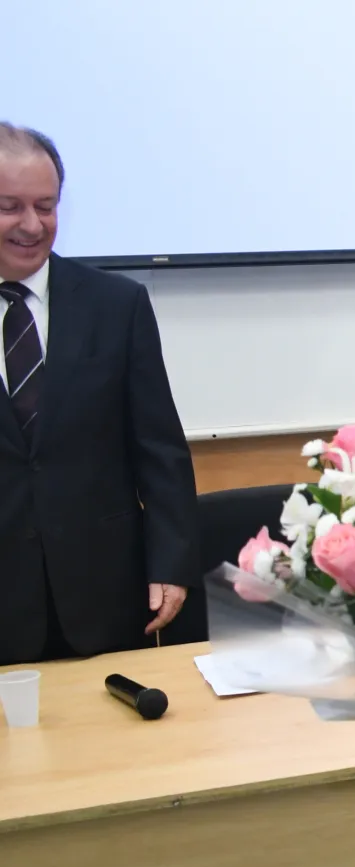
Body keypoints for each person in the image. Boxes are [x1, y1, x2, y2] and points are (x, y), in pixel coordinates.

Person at [0, 123, 196, 666]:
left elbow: (160, 451)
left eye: (46, 205)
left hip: (100, 595)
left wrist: (170, 565)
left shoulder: (116, 305)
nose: (32, 225)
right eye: (9, 207)